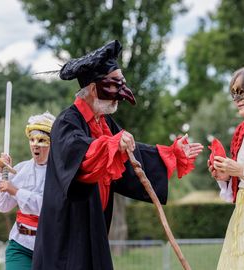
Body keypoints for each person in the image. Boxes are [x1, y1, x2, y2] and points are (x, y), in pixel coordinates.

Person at [32, 40, 203, 270]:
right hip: (68, 232)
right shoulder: (66, 122)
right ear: (93, 89)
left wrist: (171, 154)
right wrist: (111, 145)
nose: (120, 95)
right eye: (114, 86)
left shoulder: (103, 122)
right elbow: (82, 156)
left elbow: (131, 154)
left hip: (95, 226)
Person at [0, 111, 55, 270]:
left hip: (53, 247)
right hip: (20, 246)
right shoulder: (21, 170)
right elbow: (3, 205)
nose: (35, 144)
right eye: (32, 139)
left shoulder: (60, 173)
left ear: (53, 142)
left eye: (42, 140)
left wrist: (15, 191)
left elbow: (49, 206)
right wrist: (1, 172)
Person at [208, 67, 244, 270]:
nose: (238, 98)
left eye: (243, 90)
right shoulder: (241, 133)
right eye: (234, 92)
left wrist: (240, 170)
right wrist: (226, 176)